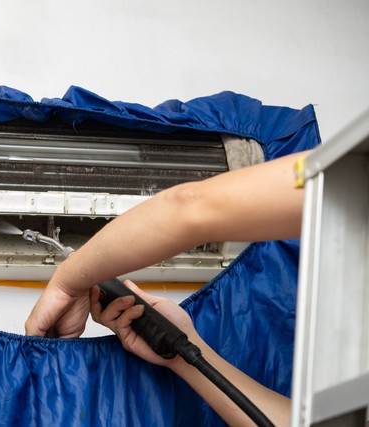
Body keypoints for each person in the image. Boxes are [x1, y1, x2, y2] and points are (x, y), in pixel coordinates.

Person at [25, 150, 310, 426]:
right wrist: (184, 352)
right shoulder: (334, 179)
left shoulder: (336, 173)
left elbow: (190, 207)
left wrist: (68, 283)